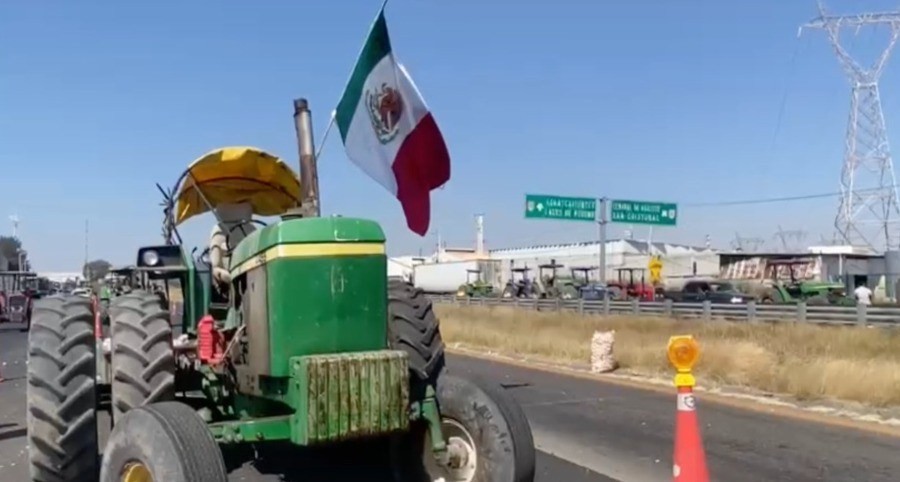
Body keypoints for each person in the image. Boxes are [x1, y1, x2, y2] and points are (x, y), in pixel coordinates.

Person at [209, 202, 257, 292]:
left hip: (251, 275)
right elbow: (215, 264)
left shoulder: (252, 230)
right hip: (230, 278)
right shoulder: (218, 232)